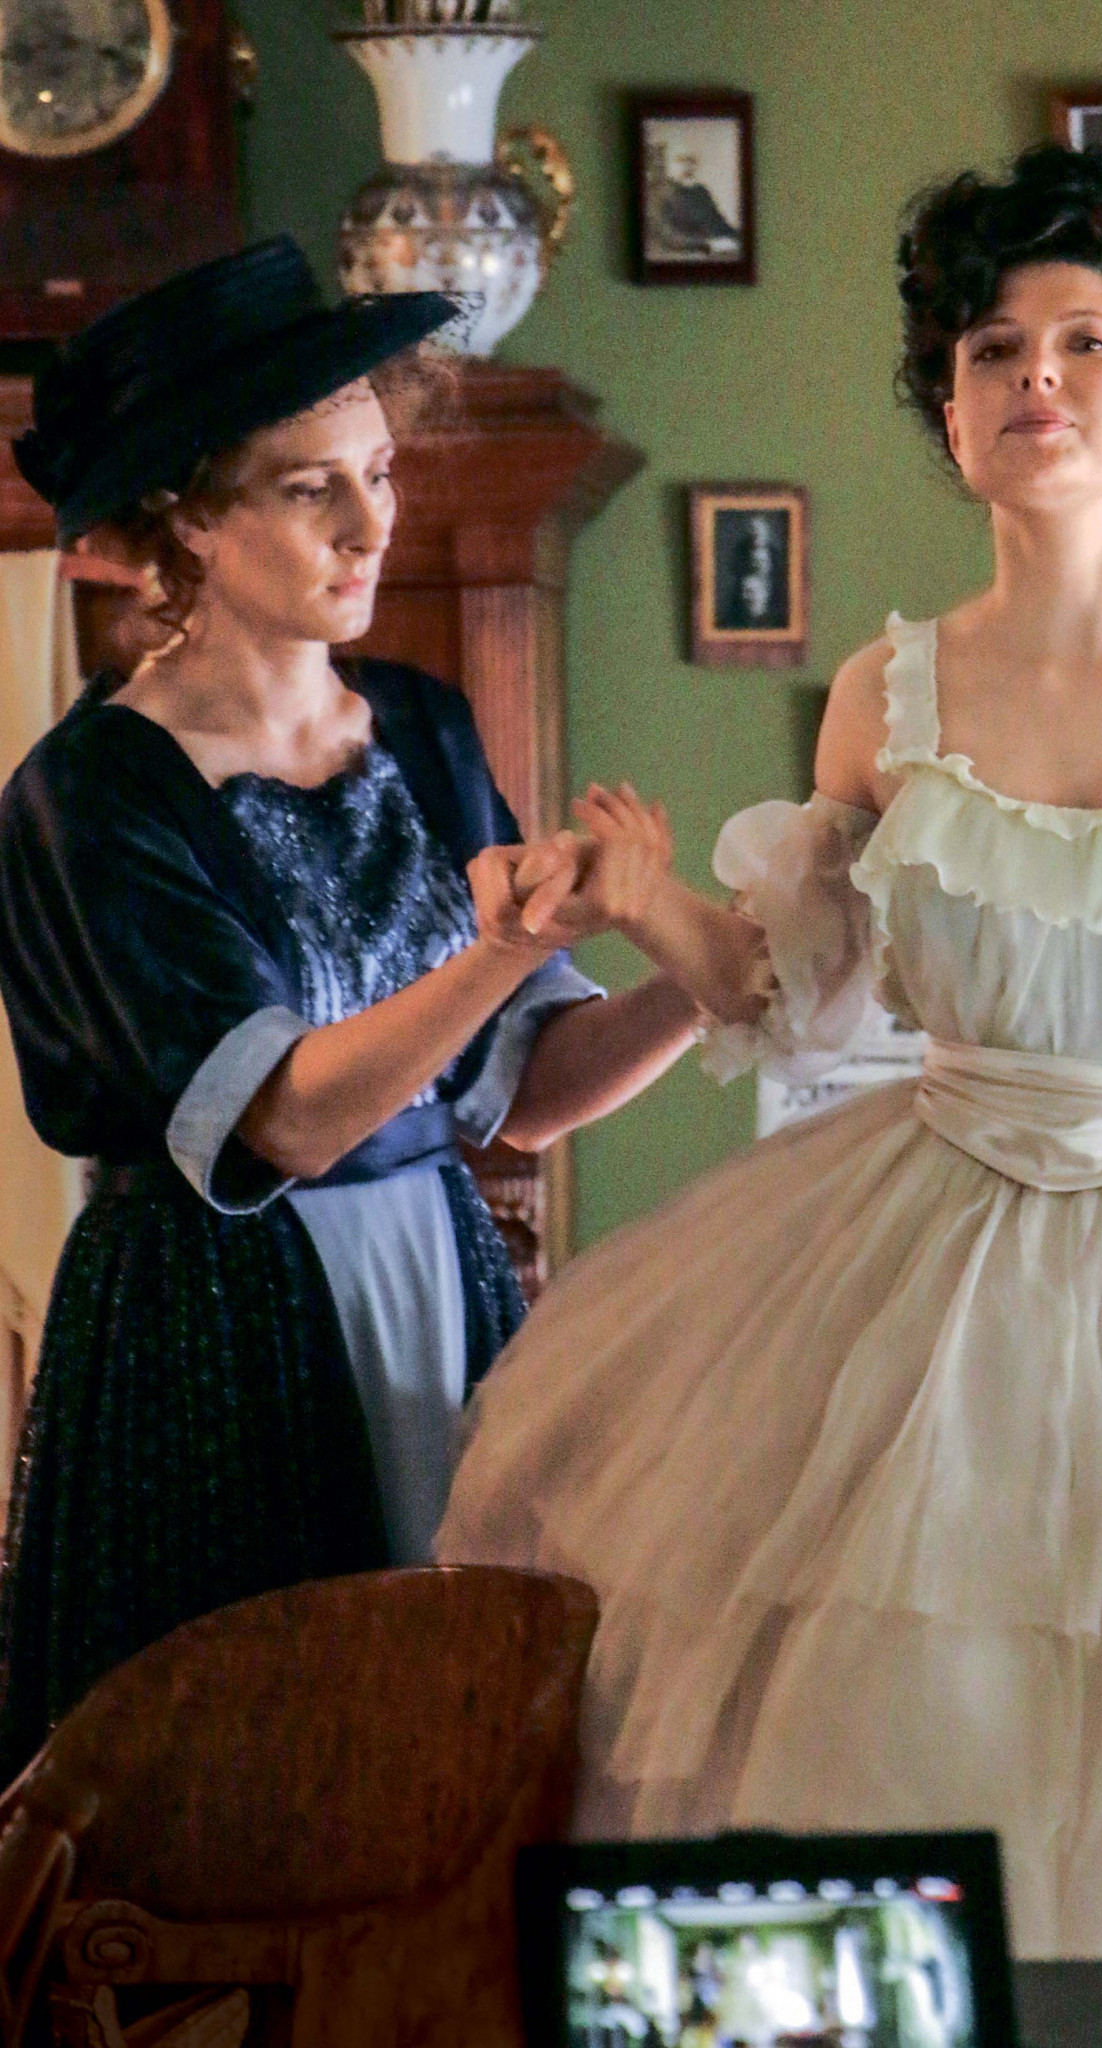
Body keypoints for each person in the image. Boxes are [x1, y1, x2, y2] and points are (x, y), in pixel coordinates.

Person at [438, 143, 1102, 1958]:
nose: (1032, 377)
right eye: (990, 350)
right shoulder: (884, 691)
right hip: (928, 1248)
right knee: (916, 1726)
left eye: (1084, 344)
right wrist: (647, 904)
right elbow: (800, 996)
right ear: (953, 411)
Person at [0, 236, 699, 1778]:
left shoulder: (427, 731)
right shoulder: (92, 794)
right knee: (250, 1776)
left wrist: (716, 975)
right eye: (309, 487)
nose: (371, 523)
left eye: (378, 472)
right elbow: (287, 1122)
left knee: (466, 1758)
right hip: (213, 1329)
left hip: (441, 1290)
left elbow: (525, 1092)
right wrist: (499, 950)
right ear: (188, 515)